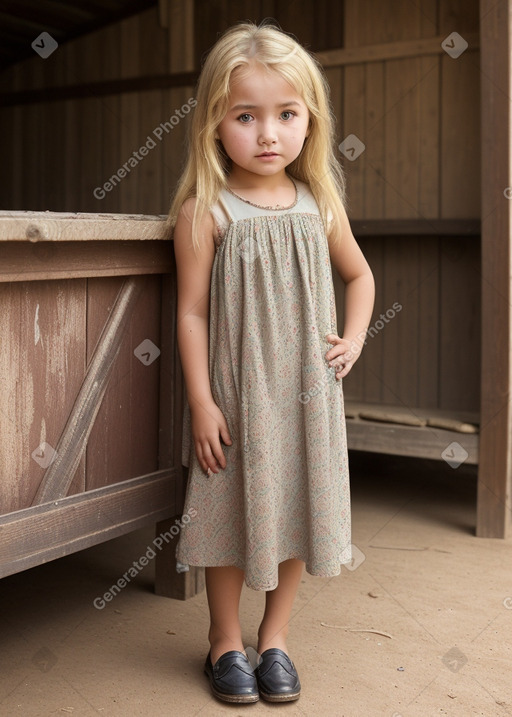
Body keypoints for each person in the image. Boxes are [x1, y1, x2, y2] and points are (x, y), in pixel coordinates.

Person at [169, 20, 375, 705]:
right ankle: (225, 639)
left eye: (286, 114)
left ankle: (276, 636)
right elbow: (192, 311)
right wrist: (202, 398)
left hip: (308, 394)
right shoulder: (207, 210)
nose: (267, 134)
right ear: (214, 124)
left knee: (296, 507)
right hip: (236, 393)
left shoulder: (321, 203)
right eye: (246, 116)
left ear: (309, 120)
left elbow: (361, 275)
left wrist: (354, 336)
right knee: (229, 510)